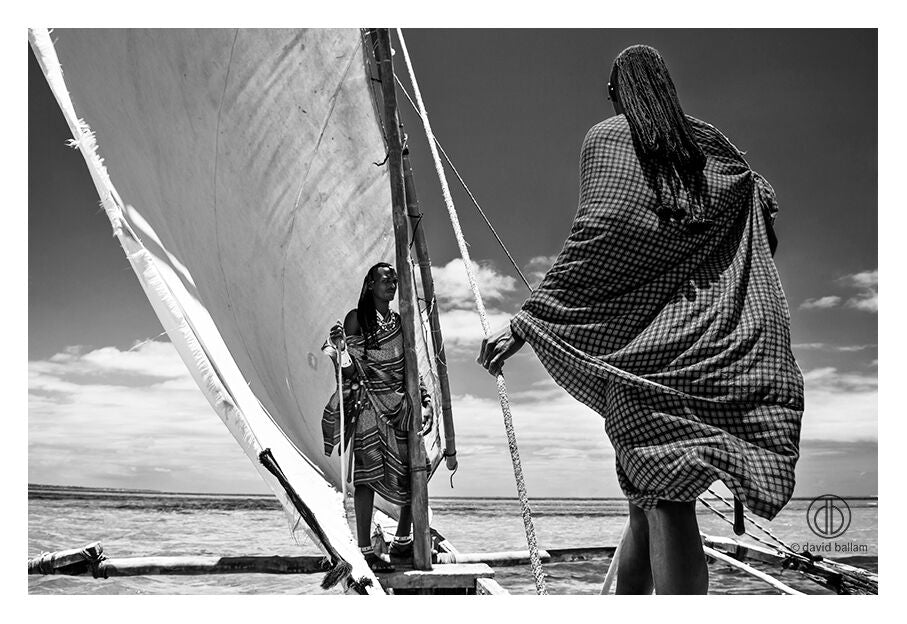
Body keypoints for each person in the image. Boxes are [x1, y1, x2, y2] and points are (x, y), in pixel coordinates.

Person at [477, 45, 803, 594]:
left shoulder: (607, 137)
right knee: (644, 497)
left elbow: (601, 236)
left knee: (666, 500)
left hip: (647, 359)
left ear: (617, 92)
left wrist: (526, 325)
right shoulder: (711, 148)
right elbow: (759, 221)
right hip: (717, 347)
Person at [322, 262, 434, 572]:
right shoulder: (357, 319)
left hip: (401, 407)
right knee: (367, 477)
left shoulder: (399, 321)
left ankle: (402, 541)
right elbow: (349, 371)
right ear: (370, 284)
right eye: (386, 279)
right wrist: (341, 348)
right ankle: (365, 550)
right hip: (369, 407)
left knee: (417, 469)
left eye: (395, 280)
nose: (392, 284)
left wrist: (425, 401)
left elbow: (411, 365)